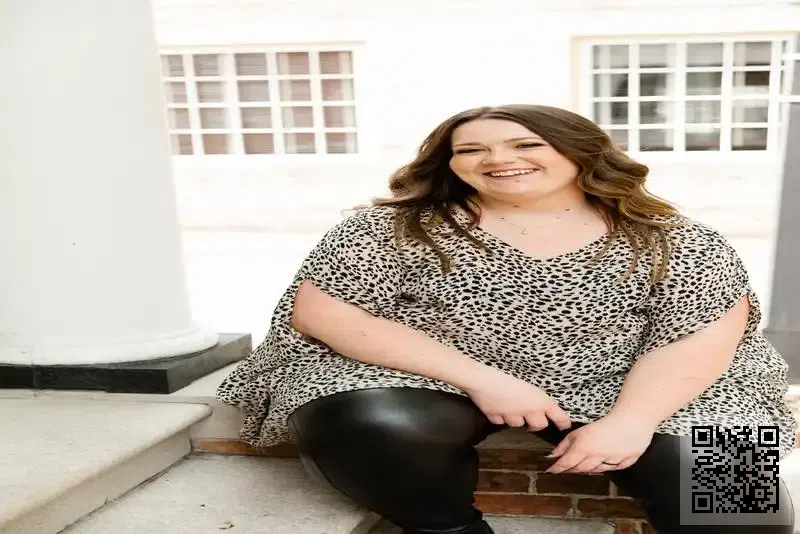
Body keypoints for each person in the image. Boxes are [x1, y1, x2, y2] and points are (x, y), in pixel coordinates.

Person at [216, 104, 797, 534]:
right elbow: (323, 310)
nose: (497, 159)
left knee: (742, 507)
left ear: (579, 152)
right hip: (441, 374)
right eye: (471, 150)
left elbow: (706, 335)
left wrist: (632, 421)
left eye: (526, 144)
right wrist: (486, 380)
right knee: (368, 420)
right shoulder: (391, 226)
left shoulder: (674, 237)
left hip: (637, 381)